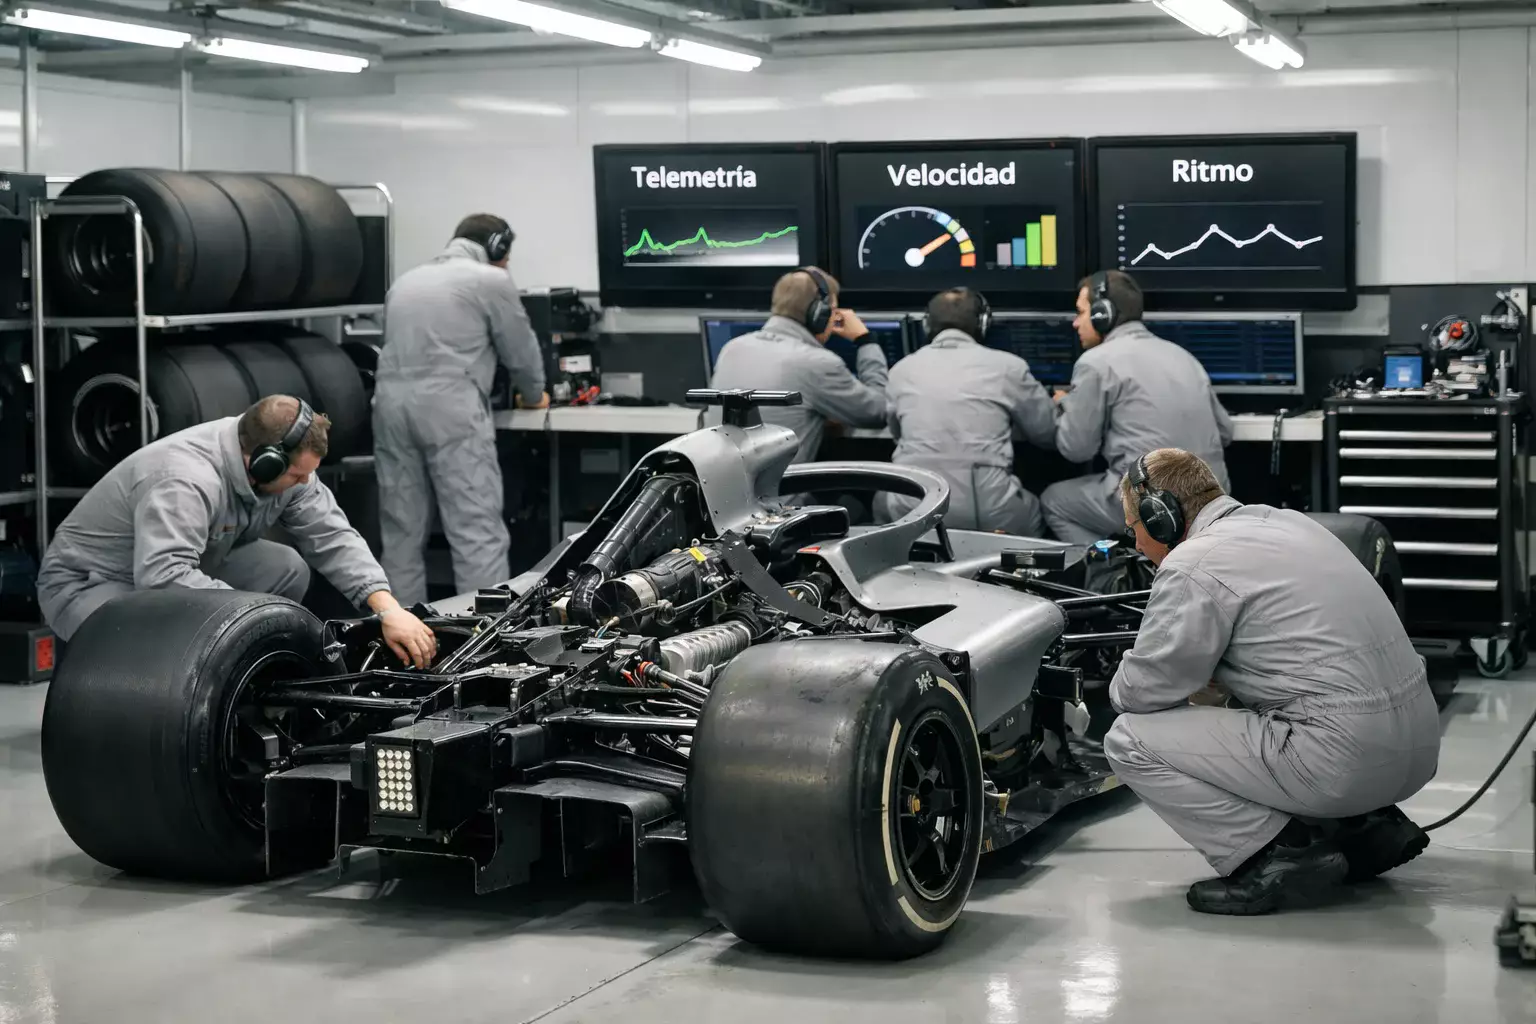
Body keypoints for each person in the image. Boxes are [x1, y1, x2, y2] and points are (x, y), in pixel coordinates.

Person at [1103, 448, 1440, 916]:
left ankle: (1277, 857)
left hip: (1344, 760)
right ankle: (1364, 828)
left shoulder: (1195, 564)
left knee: (1129, 740)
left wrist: (1117, 677)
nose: (1137, 545)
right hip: (1418, 746)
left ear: (1161, 518)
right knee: (1263, 693)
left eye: (1134, 529)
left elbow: (1144, 692)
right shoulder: (1292, 525)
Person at [37, 396, 437, 668]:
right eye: (298, 474)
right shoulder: (184, 478)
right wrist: (253, 619)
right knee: (148, 648)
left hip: (176, 566)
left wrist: (388, 609)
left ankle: (235, 669)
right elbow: (162, 578)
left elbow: (333, 536)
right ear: (261, 463)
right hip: (91, 585)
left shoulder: (290, 470)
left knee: (285, 567)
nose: (306, 483)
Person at [373, 213, 548, 607]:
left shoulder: (405, 281)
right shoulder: (490, 280)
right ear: (498, 248)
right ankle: (480, 639)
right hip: (450, 410)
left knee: (401, 533)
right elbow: (521, 352)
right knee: (475, 529)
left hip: (389, 409)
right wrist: (535, 395)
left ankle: (402, 639)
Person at [1042, 270, 1233, 545]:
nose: (1075, 323)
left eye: (1080, 312)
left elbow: (1076, 448)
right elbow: (1226, 432)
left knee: (1054, 502)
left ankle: (1111, 577)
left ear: (1102, 314)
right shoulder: (1182, 355)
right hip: (1212, 499)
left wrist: (1066, 408)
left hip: (1156, 503)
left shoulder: (1095, 362)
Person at [878, 287, 1056, 534]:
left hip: (914, 505)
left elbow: (897, 433)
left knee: (881, 503)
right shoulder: (1009, 367)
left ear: (927, 325)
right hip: (988, 509)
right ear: (983, 324)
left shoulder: (900, 370)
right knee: (1037, 512)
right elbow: (1046, 433)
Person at [710, 267, 887, 463]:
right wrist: (866, 340)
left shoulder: (732, 349)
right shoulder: (817, 362)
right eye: (833, 311)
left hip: (721, 491)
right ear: (819, 314)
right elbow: (878, 412)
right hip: (778, 494)